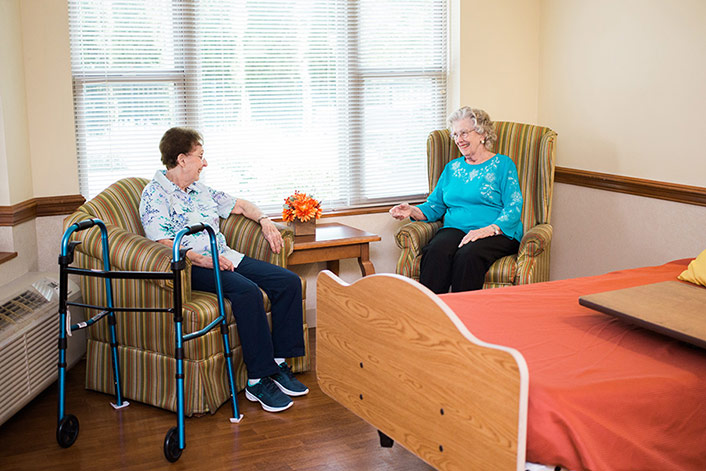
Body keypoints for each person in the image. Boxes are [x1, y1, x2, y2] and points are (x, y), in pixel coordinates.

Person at [139, 127, 308, 413]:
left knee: (288, 282)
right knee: (247, 292)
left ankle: (279, 365)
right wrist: (201, 259)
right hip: (191, 265)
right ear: (182, 159)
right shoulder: (155, 195)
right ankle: (257, 380)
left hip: (224, 256)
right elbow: (162, 242)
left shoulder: (199, 190)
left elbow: (240, 205)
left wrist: (265, 220)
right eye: (200, 157)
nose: (205, 164)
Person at [390, 107, 523, 294]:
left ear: (482, 133)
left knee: (468, 256)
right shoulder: (452, 168)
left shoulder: (503, 165)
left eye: (464, 133)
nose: (459, 140)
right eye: (455, 135)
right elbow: (435, 205)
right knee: (436, 251)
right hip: (456, 229)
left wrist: (488, 230)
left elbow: (514, 207)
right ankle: (434, 314)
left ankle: (463, 317)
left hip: (496, 232)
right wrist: (411, 211)